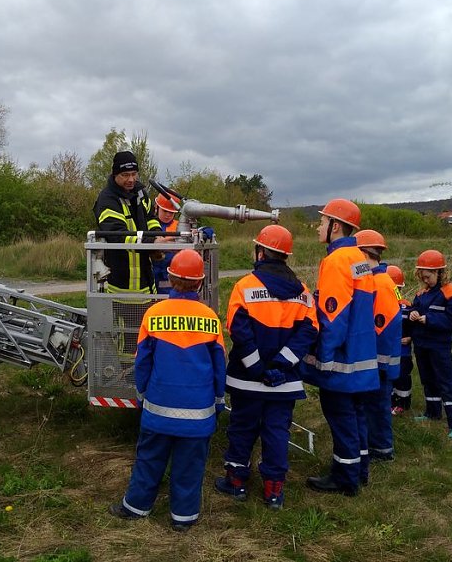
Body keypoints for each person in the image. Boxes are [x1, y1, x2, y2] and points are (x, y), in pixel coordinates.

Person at [109, 249, 227, 532]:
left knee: (149, 459)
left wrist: (141, 393)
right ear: (200, 283)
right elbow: (219, 365)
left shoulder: (153, 314)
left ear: (171, 278)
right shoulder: (210, 318)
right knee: (189, 467)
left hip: (158, 409)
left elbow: (142, 361)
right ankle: (183, 518)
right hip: (198, 415)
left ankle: (136, 507)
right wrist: (219, 400)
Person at [215, 225, 318, 510]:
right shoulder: (303, 291)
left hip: (247, 380)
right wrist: (281, 365)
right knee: (277, 432)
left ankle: (235, 482)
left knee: (242, 428)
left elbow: (237, 328)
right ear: (285, 256)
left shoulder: (245, 286)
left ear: (260, 251)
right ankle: (274, 491)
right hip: (284, 382)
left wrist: (258, 367)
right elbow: (309, 331)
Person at [301, 198, 378, 496]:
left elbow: (333, 314)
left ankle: (344, 478)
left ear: (335, 225)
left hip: (342, 358)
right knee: (357, 414)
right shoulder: (359, 258)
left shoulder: (336, 261)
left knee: (341, 415)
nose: (318, 227)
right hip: (361, 353)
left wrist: (324, 356)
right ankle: (360, 470)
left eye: (322, 222)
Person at [410, 250, 452, 439]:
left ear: (439, 272)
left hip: (439, 346)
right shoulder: (422, 293)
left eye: (427, 277)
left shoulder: (451, 294)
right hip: (422, 344)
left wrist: (428, 320)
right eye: (422, 277)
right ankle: (433, 412)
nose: (425, 280)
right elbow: (415, 308)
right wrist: (413, 314)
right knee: (428, 380)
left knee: (446, 382)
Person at [354, 230, 402, 467]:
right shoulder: (382, 280)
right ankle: (378, 444)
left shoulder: (380, 283)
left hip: (380, 361)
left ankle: (382, 449)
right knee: (374, 404)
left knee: (377, 405)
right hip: (381, 359)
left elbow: (382, 325)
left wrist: (376, 362)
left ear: (363, 254)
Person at [92, 151, 162, 294]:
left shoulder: (140, 193)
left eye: (134, 174)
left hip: (147, 284)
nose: (131, 179)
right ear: (115, 175)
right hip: (122, 287)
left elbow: (151, 218)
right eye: (125, 175)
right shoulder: (107, 199)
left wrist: (158, 236)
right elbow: (116, 234)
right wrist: (150, 243)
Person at [387, 265, 415, 415]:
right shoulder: (379, 305)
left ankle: (403, 403)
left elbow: (414, 328)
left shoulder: (407, 306)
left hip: (403, 352)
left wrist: (410, 338)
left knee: (402, 377)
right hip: (387, 351)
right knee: (388, 377)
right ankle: (390, 402)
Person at [152, 193, 181, 295]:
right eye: (165, 211)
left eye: (171, 212)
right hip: (152, 273)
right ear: (157, 208)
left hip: (171, 274)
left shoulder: (180, 227)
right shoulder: (150, 225)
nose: (168, 215)